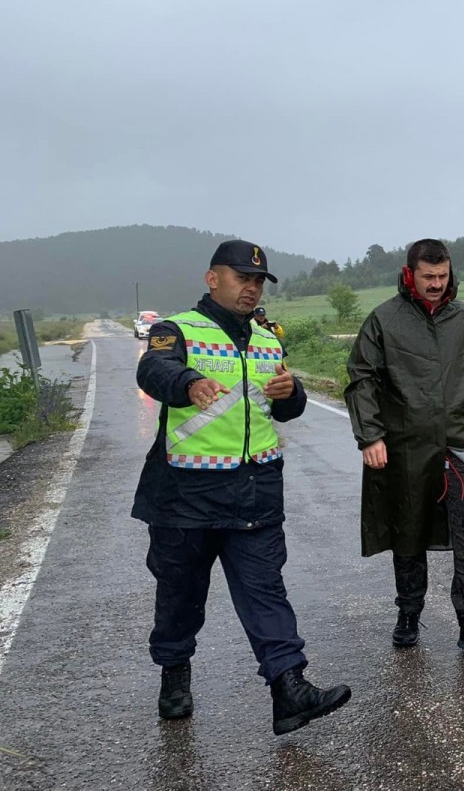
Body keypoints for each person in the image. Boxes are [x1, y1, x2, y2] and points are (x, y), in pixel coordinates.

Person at [134, 239, 351, 734]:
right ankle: (174, 672)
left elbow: (283, 408)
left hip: (255, 488)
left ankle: (289, 688)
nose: (251, 287)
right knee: (180, 596)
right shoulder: (177, 330)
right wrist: (188, 383)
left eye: (257, 280)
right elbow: (154, 369)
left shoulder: (269, 337)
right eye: (241, 278)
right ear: (213, 279)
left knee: (265, 590)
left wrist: (291, 392)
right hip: (185, 496)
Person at [344, 238, 464, 659]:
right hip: (405, 445)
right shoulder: (383, 320)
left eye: (443, 275)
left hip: (461, 444)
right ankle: (408, 613)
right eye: (428, 276)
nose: (437, 283)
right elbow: (362, 378)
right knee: (409, 533)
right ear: (410, 274)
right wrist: (371, 435)